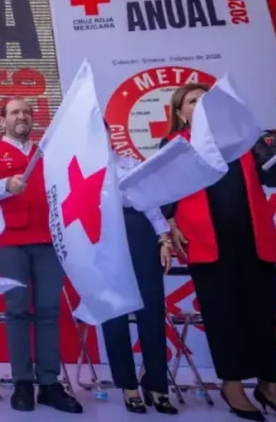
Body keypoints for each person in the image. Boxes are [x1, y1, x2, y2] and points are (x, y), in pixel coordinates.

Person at [161, 83, 276, 421]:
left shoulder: (245, 140)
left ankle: (270, 384)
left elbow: (272, 176)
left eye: (206, 100)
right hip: (206, 244)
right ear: (180, 113)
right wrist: (169, 225)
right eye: (193, 101)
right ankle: (232, 384)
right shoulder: (173, 146)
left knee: (261, 314)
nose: (201, 105)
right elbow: (163, 194)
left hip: (254, 241)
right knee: (222, 316)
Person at [0, 97, 82, 414]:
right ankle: (22, 382)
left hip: (49, 240)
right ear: (2, 120)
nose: (22, 116)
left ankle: (49, 383)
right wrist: (6, 185)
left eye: (26, 112)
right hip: (11, 240)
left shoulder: (47, 152)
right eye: (14, 112)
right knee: (18, 310)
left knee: (49, 310)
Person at [102, 121, 177, 415]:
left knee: (152, 312)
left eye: (103, 130)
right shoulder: (78, 169)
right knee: (115, 315)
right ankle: (128, 385)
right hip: (104, 239)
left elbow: (151, 205)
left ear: (110, 134)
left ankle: (157, 384)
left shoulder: (130, 162)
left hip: (140, 234)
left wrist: (163, 239)